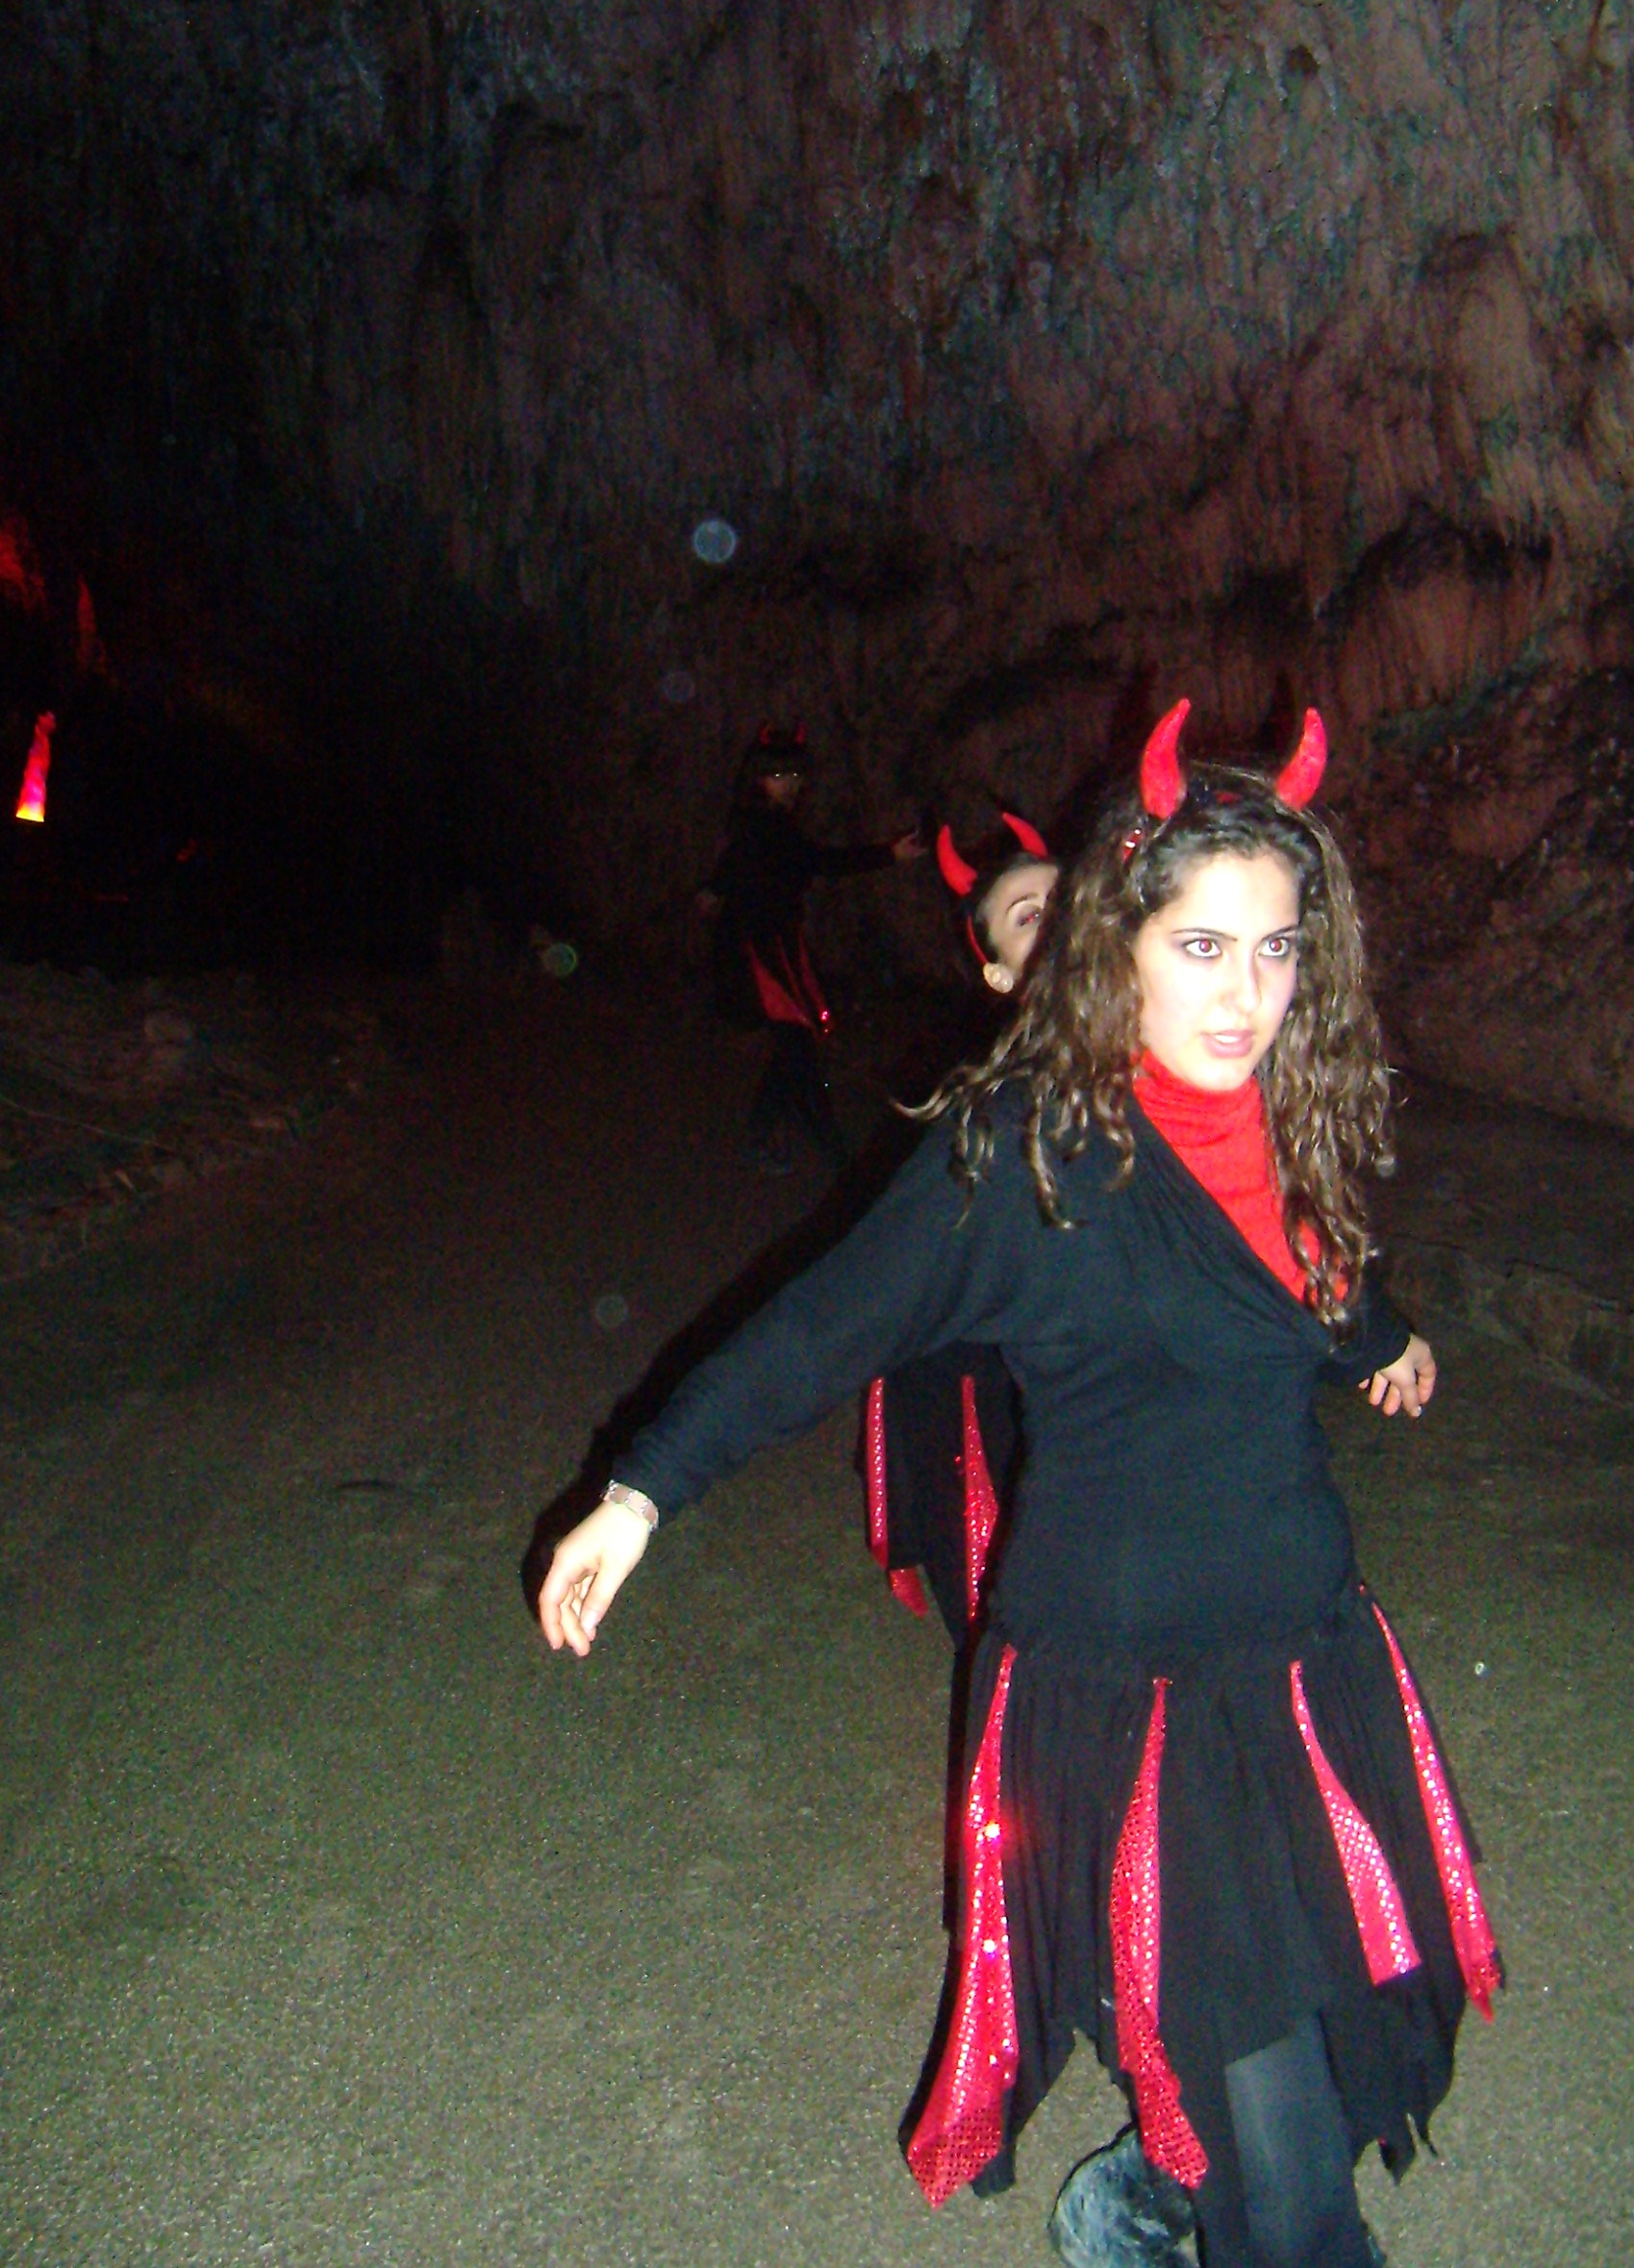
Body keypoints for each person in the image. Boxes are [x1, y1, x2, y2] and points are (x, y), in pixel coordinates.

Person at [541, 698, 1498, 2268]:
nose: (1245, 993)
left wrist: (1380, 1337)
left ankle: (1145, 2201)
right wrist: (642, 1492)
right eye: (1202, 946)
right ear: (1121, 940)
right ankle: (1195, 2205)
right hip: (1136, 1692)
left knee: (1343, 2041)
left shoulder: (1292, 1108)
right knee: (1289, 2177)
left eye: (1275, 950)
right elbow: (819, 1327)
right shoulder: (1034, 1147)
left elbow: (1313, 1279)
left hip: (1308, 1657)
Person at [866, 812, 1058, 1635]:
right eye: (1029, 916)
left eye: (1070, 902)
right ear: (1000, 974)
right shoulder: (989, 1102)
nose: (1062, 924)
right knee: (998, 1575)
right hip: (978, 1364)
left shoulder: (1180, 1051)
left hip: (1086, 1383)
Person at [697, 723, 925, 1172]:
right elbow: (816, 862)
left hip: (776, 943)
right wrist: (888, 855)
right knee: (797, 1042)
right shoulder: (762, 825)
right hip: (760, 948)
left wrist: (715, 890)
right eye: (777, 776)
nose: (788, 784)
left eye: (793, 775)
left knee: (796, 1043)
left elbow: (768, 865)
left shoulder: (767, 823)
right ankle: (825, 1148)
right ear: (759, 778)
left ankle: (792, 1138)